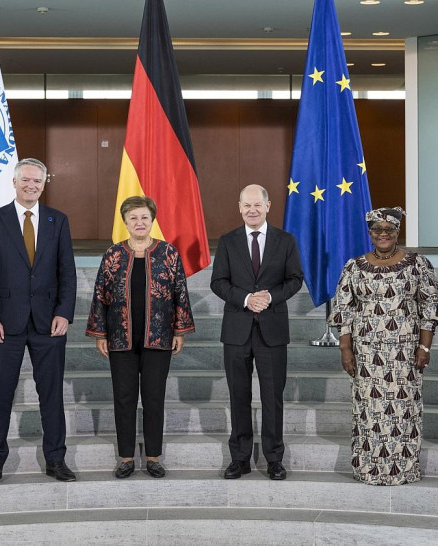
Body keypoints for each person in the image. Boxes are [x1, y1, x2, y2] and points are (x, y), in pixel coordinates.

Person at [0, 158, 77, 487]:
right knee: (0, 395)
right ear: (15, 182)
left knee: (51, 395)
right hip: (5, 323)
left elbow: (67, 273)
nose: (32, 185)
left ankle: (56, 458)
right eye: (26, 180)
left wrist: (64, 312)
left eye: (38, 181)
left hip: (49, 323)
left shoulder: (57, 220)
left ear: (44, 184)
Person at [329, 207, 438, 486]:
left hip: (406, 353)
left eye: (389, 229)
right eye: (377, 230)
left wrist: (425, 348)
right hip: (366, 354)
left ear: (397, 231)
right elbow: (344, 308)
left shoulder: (418, 264)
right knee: (369, 412)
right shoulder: (354, 266)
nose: (383, 234)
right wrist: (346, 349)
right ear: (369, 233)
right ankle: (367, 469)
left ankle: (404, 469)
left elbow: (430, 306)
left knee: (404, 410)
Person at [86, 196, 195, 479]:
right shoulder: (112, 254)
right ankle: (125, 458)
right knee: (123, 397)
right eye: (133, 218)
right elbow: (100, 294)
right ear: (125, 221)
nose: (139, 222)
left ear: (152, 220)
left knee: (154, 397)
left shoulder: (168, 253)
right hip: (120, 337)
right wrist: (99, 332)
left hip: (158, 337)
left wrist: (180, 329)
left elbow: (180, 292)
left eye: (144, 217)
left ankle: (153, 457)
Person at [210, 184, 303, 480]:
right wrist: (247, 299)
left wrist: (270, 297)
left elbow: (295, 279)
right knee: (239, 395)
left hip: (272, 331)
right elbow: (219, 282)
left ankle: (274, 458)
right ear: (239, 207)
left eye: (257, 205)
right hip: (237, 330)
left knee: (272, 397)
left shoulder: (285, 240)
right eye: (246, 205)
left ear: (268, 206)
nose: (252, 210)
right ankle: (240, 458)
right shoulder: (227, 242)